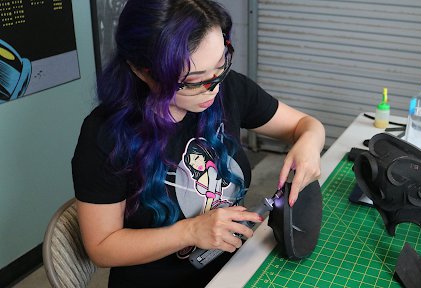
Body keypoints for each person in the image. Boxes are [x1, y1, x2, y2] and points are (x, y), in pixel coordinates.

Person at [71, 0, 325, 287]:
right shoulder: (105, 135)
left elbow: (306, 125)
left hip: (235, 270)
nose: (213, 87)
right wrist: (189, 232)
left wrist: (309, 144)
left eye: (220, 66)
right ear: (143, 71)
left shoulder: (228, 90)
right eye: (193, 80)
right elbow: (102, 247)